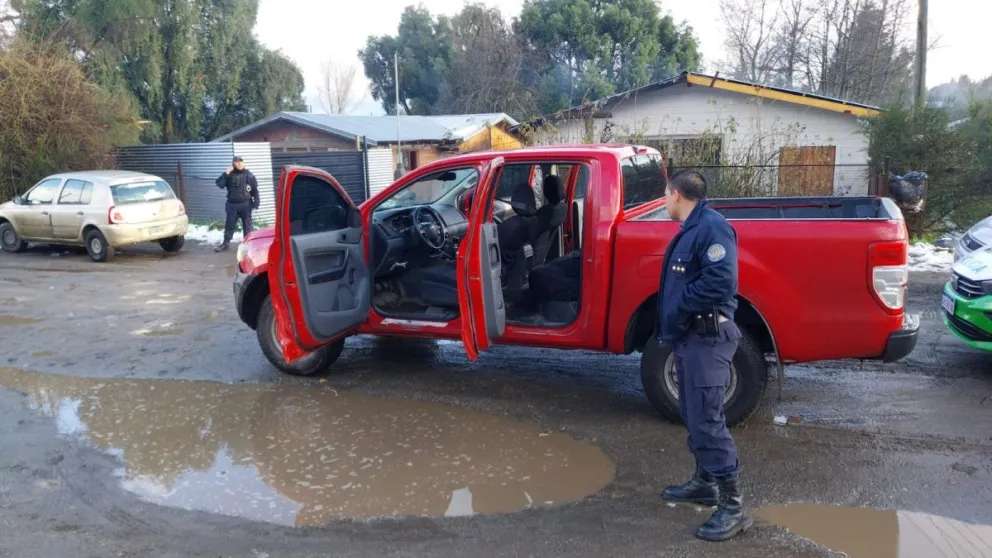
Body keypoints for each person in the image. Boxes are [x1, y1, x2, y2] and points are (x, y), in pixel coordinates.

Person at [656, 169, 750, 542]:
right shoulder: (695, 227)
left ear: (676, 194)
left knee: (708, 421)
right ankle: (704, 483)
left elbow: (720, 280)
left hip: (707, 338)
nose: (663, 202)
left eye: (664, 195)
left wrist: (677, 307)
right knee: (693, 413)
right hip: (692, 338)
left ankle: (734, 507)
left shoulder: (711, 228)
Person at [214, 156, 259, 252]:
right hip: (232, 205)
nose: (239, 163)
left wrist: (256, 203)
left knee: (247, 226)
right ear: (233, 164)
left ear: (243, 163)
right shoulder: (229, 174)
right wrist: (225, 174)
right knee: (229, 225)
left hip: (246, 205)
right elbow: (220, 184)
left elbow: (255, 190)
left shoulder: (249, 175)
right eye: (236, 162)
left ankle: (248, 245)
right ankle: (225, 243)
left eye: (240, 161)